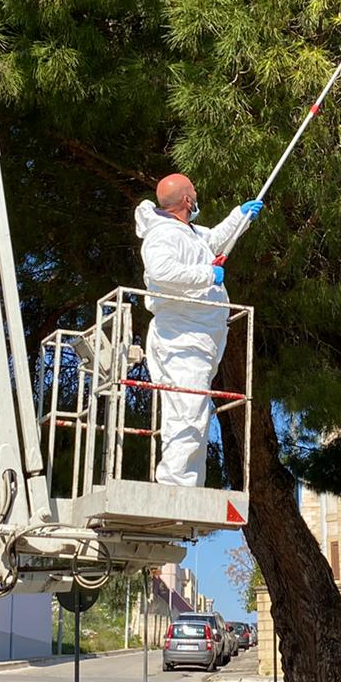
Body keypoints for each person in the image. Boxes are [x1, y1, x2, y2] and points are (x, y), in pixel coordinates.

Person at [133, 174, 263, 487]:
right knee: (187, 411)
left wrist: (239, 216)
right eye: (194, 191)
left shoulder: (187, 233)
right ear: (188, 201)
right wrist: (207, 275)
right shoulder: (163, 234)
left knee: (192, 410)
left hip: (197, 334)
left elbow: (215, 241)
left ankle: (184, 484)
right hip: (183, 335)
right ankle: (176, 486)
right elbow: (161, 272)